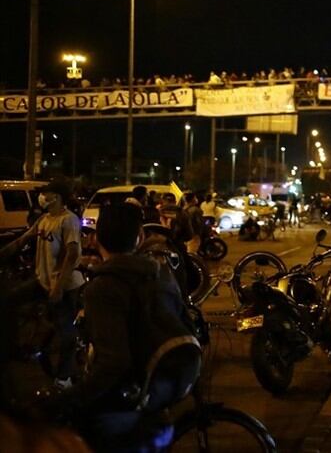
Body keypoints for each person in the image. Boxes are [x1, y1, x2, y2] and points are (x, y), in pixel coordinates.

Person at [35, 204, 200, 451]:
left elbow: (114, 363)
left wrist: (70, 397)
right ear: (140, 238)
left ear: (96, 238)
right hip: (170, 382)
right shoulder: (160, 273)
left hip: (131, 394)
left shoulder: (103, 287)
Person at [0, 179, 84, 387]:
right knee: (7, 301)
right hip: (42, 280)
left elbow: (72, 254)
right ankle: (13, 348)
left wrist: (58, 287)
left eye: (46, 193)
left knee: (66, 332)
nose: (43, 197)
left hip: (64, 285)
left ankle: (64, 378)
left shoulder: (69, 220)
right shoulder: (44, 219)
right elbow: (22, 240)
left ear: (57, 197)